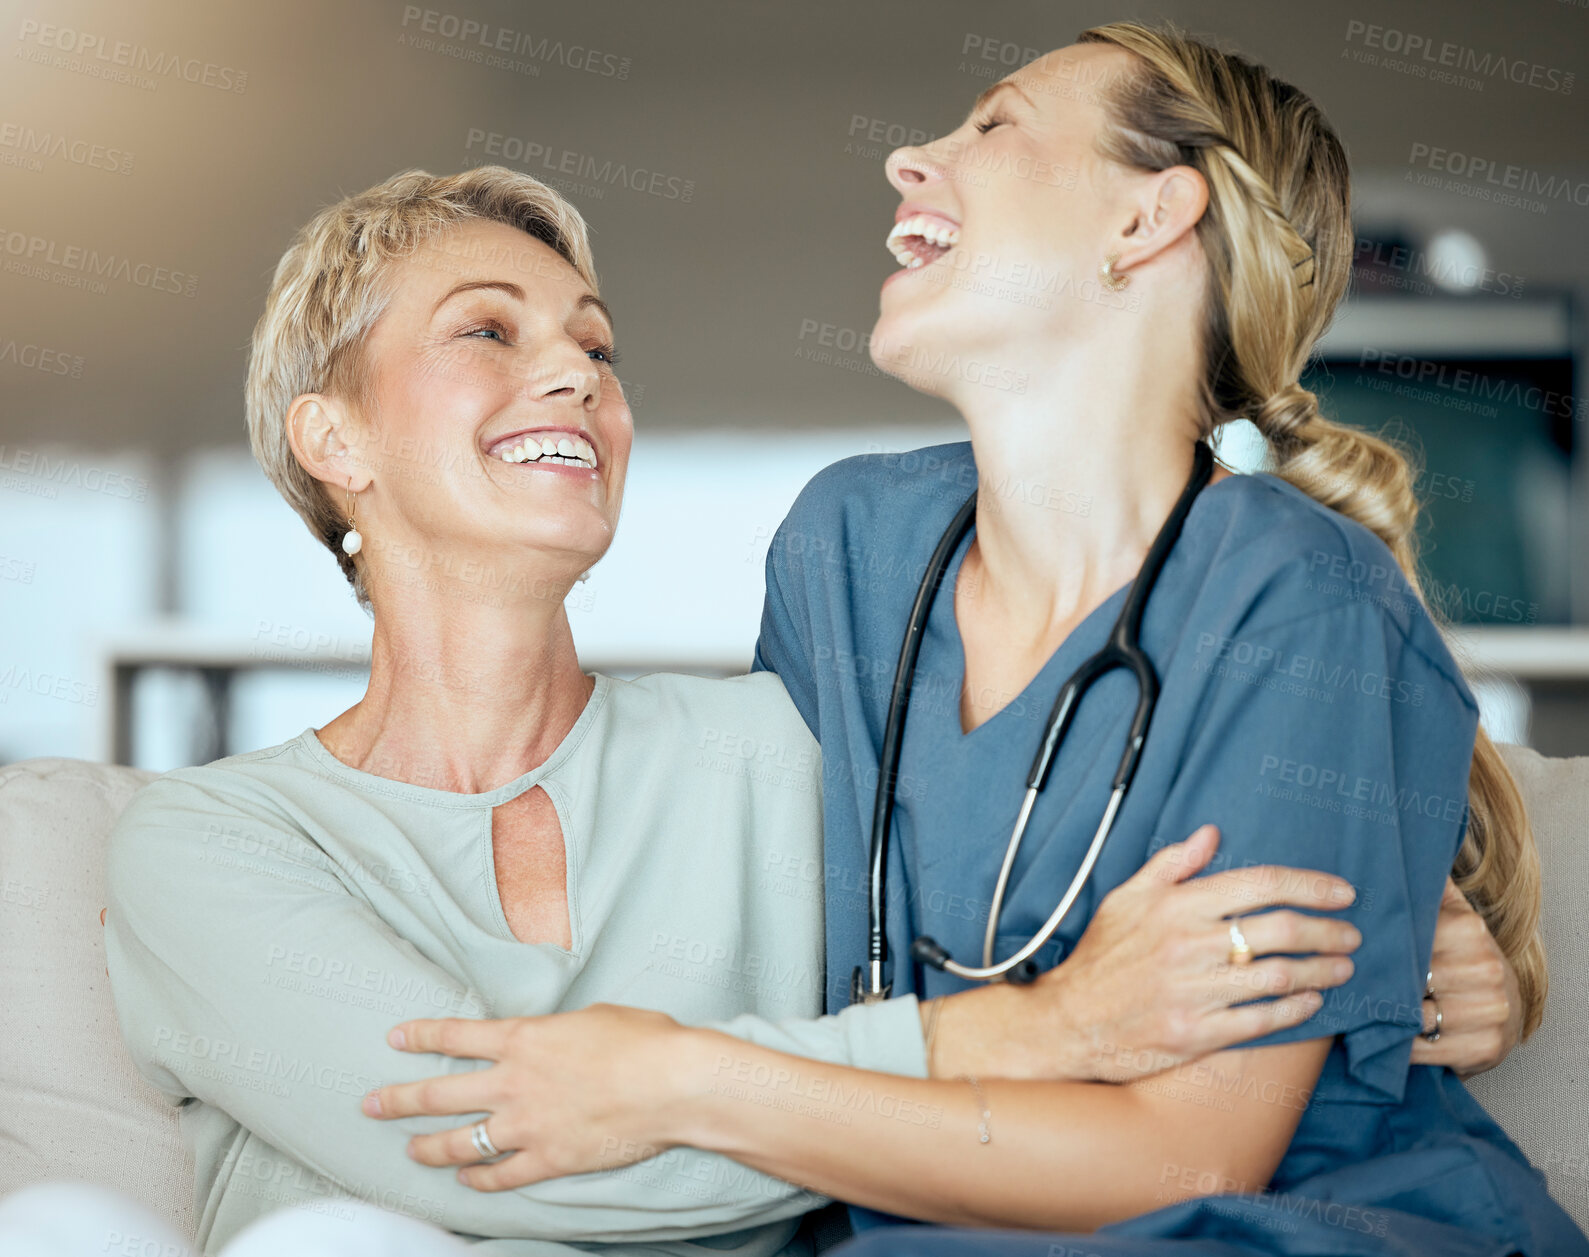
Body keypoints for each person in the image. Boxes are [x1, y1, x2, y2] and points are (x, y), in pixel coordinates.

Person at [355, 24, 1585, 1257]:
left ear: (1145, 221)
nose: (904, 157)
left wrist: (684, 1083)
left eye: (992, 125)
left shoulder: (1291, 594)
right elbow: (738, 891)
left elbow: (1189, 1154)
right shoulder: (851, 546)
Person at [69, 164, 1359, 1257]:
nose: (574, 376)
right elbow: (485, 1143)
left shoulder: (772, 753)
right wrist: (1037, 1034)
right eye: (486, 332)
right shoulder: (206, 843)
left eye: (595, 345)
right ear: (333, 441)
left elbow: (1048, 885)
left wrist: (1398, 959)